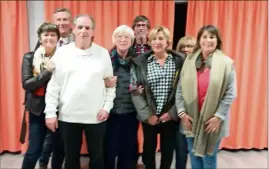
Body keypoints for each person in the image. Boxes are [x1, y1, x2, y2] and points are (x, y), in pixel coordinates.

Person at [44, 14, 116, 169]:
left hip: (96, 116)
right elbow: (53, 86)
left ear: (92, 31)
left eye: (87, 28)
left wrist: (106, 107)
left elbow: (111, 85)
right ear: (73, 30)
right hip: (68, 116)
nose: (84, 31)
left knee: (97, 159)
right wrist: (50, 113)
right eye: (80, 27)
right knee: (71, 159)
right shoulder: (62, 53)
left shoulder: (103, 53)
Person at [175, 25, 237, 169]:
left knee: (209, 157)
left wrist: (218, 117)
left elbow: (230, 93)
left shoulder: (226, 64)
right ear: (199, 40)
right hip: (191, 118)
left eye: (212, 37)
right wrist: (182, 113)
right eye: (204, 37)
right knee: (193, 153)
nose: (208, 40)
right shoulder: (189, 61)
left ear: (217, 40)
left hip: (213, 121)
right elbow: (180, 90)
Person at [130, 25, 185, 169]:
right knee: (148, 151)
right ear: (149, 41)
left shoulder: (179, 62)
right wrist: (148, 115)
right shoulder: (140, 63)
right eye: (154, 38)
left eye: (161, 38)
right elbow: (135, 92)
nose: (157, 42)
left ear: (167, 42)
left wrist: (172, 113)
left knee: (167, 151)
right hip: (149, 116)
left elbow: (184, 90)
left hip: (170, 116)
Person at [21, 22, 60, 169]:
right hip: (37, 109)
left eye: (53, 35)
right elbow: (27, 84)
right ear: (40, 37)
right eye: (46, 34)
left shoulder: (64, 57)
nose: (49, 37)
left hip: (59, 109)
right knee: (34, 150)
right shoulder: (29, 57)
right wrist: (47, 71)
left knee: (57, 150)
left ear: (57, 38)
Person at [38, 7, 74, 169]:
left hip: (70, 95)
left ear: (71, 22)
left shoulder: (78, 39)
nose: (62, 23)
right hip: (48, 94)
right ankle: (44, 163)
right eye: (58, 20)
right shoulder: (46, 39)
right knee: (49, 135)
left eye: (65, 19)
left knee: (66, 136)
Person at [104, 25, 138, 169]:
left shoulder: (138, 60)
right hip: (110, 113)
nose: (123, 39)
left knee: (128, 151)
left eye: (126, 37)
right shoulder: (105, 58)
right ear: (114, 39)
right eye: (119, 36)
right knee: (109, 150)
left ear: (131, 40)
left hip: (131, 113)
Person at [174, 35, 196, 169]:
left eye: (189, 46)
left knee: (192, 150)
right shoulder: (175, 64)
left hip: (191, 113)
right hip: (174, 112)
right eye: (183, 47)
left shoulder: (199, 66)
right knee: (179, 148)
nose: (186, 49)